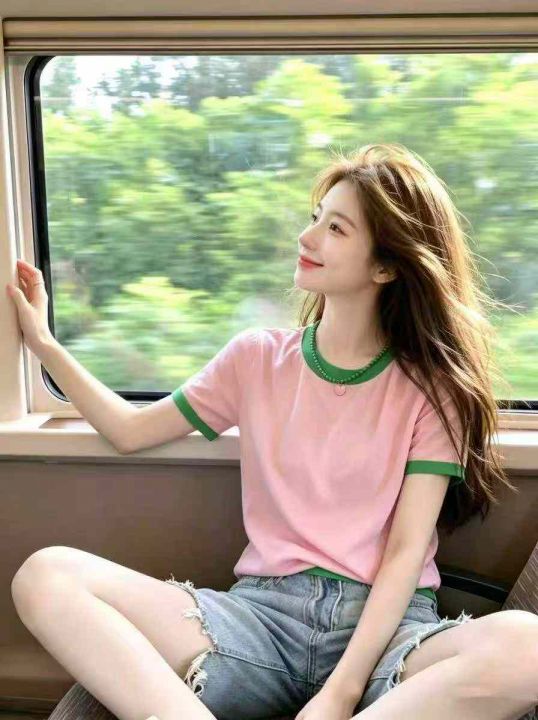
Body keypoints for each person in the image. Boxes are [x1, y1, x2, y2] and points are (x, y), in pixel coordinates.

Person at [7, 143, 538, 720]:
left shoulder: (432, 390)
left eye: (336, 229)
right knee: (47, 575)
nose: (307, 238)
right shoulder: (256, 359)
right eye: (316, 219)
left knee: (528, 645)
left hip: (386, 634)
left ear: (386, 267)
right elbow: (130, 429)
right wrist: (45, 345)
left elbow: (406, 552)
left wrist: (339, 693)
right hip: (259, 623)